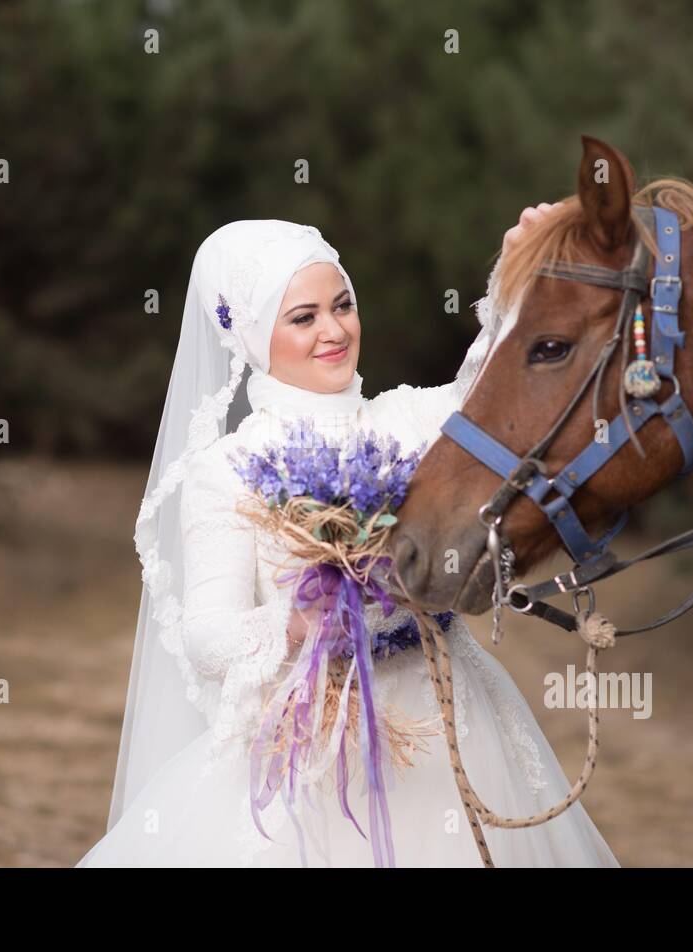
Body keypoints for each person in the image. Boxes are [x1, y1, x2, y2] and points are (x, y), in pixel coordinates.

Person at [77, 212, 617, 866]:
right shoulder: (227, 469)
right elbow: (207, 633)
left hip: (445, 720)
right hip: (308, 744)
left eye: (343, 305)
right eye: (303, 317)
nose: (333, 330)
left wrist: (516, 269)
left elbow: (490, 384)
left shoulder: (409, 417)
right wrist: (303, 620)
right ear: (255, 336)